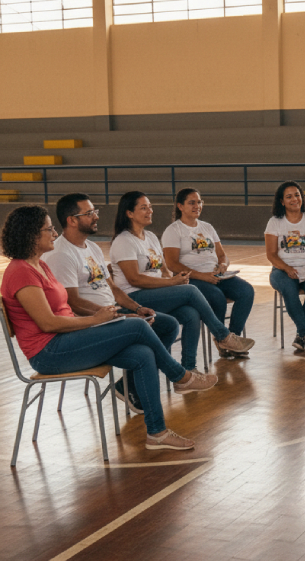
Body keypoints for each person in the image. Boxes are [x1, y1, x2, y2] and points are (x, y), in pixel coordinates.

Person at [1, 205, 217, 451]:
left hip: (68, 338)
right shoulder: (20, 272)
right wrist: (96, 320)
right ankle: (181, 376)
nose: (53, 233)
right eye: (48, 229)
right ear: (30, 234)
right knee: (136, 327)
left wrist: (104, 316)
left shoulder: (40, 266)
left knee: (142, 354)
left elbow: (63, 311)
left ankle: (156, 432)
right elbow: (48, 323)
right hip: (49, 352)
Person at [41, 192, 181, 415]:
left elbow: (113, 289)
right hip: (89, 323)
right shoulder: (60, 254)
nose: (96, 216)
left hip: (111, 313)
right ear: (72, 220)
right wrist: (120, 317)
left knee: (167, 324)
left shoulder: (93, 248)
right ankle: (178, 376)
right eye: (89, 213)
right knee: (141, 333)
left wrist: (135, 308)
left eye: (95, 211)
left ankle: (130, 386)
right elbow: (74, 302)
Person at [110, 191, 254, 371]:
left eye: (150, 207)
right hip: (135, 298)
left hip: (156, 292)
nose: (150, 211)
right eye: (144, 208)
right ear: (129, 213)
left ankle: (189, 368)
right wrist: (172, 283)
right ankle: (223, 336)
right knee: (191, 291)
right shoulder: (124, 241)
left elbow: (162, 268)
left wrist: (171, 280)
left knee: (191, 314)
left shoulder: (151, 237)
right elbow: (134, 278)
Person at [162, 188, 255, 358]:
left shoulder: (207, 227)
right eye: (192, 202)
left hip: (216, 275)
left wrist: (223, 265)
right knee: (216, 297)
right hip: (192, 279)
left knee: (247, 291)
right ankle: (223, 338)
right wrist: (201, 276)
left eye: (199, 202)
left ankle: (230, 339)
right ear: (180, 206)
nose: (197, 205)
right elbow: (172, 264)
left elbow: (222, 255)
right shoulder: (173, 230)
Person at [264, 181, 305, 352]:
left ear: (302, 198)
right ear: (282, 201)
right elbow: (271, 254)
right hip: (282, 270)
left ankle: (301, 336)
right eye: (289, 196)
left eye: (297, 195)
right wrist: (286, 268)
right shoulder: (274, 222)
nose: (294, 199)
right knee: (289, 290)